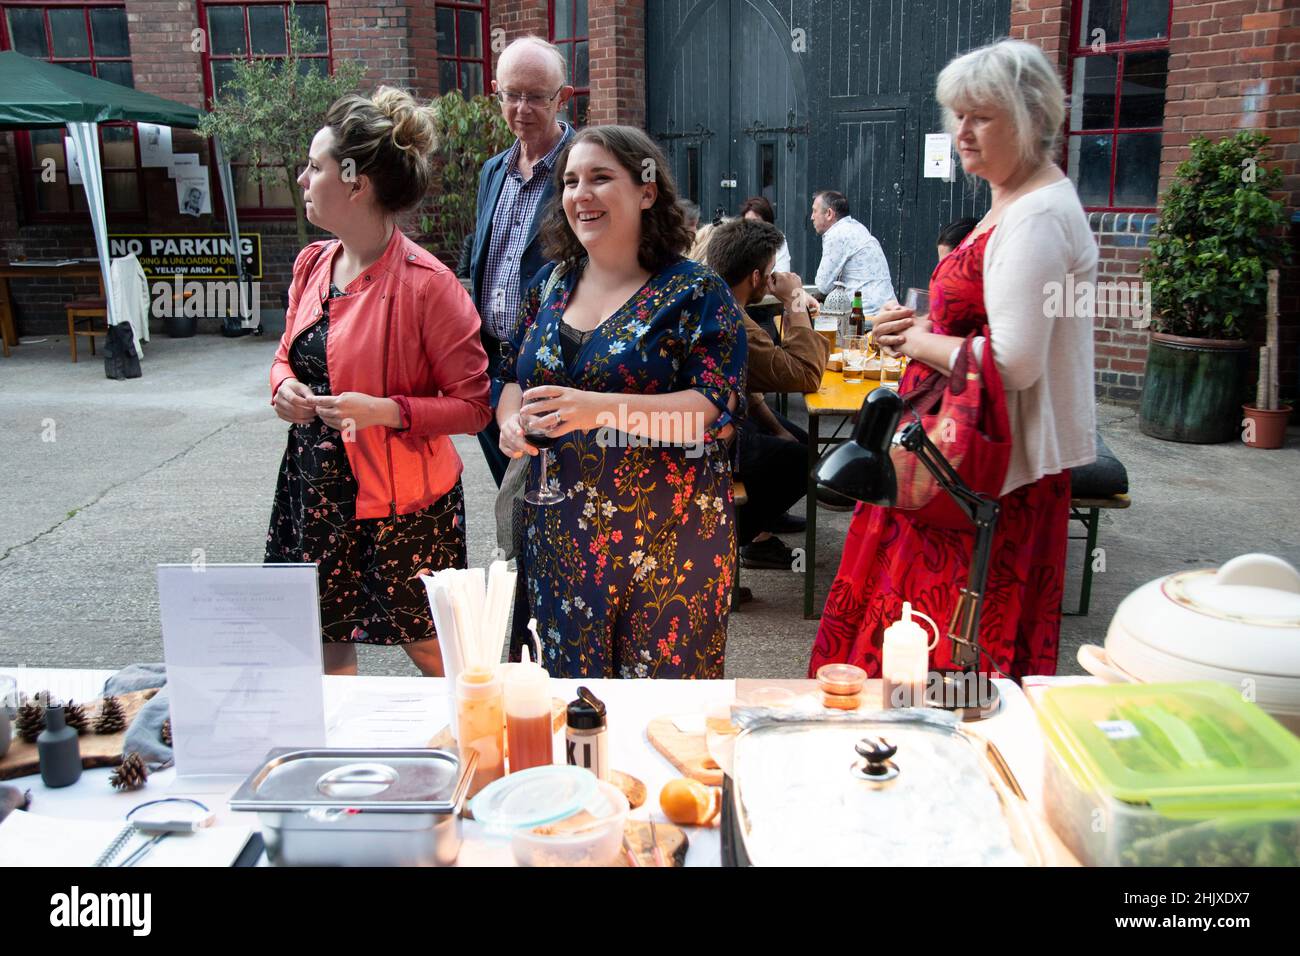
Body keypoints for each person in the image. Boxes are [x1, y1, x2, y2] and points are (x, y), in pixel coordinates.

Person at [809, 39, 1098, 681]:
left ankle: (921, 755)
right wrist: (924, 325)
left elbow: (1017, 361)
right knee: (923, 636)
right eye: (956, 115)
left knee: (943, 644)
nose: (960, 131)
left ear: (1030, 118)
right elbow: (992, 324)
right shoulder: (1017, 199)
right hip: (958, 454)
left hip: (984, 470)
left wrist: (911, 341)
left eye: (981, 116)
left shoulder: (1036, 217)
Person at [497, 125, 747, 679]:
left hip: (667, 541)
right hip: (558, 536)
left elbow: (708, 412)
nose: (579, 194)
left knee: (659, 716)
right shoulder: (549, 283)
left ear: (647, 191)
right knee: (566, 705)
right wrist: (509, 422)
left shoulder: (696, 293)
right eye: (569, 181)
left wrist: (595, 409)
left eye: (600, 178)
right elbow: (512, 374)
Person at [267, 87, 492, 677]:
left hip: (404, 502)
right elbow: (285, 356)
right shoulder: (312, 263)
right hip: (314, 487)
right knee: (321, 632)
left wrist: (384, 411)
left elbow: (474, 406)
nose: (302, 178)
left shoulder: (428, 284)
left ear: (354, 182)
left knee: (429, 643)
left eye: (313, 167)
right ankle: (340, 758)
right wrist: (282, 387)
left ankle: (473, 745)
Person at [470, 36, 576, 488]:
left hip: (550, 367)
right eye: (511, 95)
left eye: (536, 96)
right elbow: (480, 258)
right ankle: (516, 561)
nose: (522, 108)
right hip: (488, 365)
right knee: (508, 493)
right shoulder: (492, 171)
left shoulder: (584, 172)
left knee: (556, 494)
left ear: (563, 97)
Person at [706, 217, 827, 570]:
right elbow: (806, 375)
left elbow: (747, 384)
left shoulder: (717, 295)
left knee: (800, 441)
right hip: (711, 440)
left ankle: (762, 521)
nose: (774, 278)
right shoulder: (732, 318)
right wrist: (793, 301)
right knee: (805, 461)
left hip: (717, 420)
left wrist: (777, 430)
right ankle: (731, 541)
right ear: (756, 278)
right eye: (771, 271)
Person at [809, 190, 894, 312]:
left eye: (815, 211)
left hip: (865, 314)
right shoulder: (856, 227)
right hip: (887, 310)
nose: (812, 217)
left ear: (829, 213)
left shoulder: (836, 235)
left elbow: (823, 286)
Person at [738, 195, 791, 272]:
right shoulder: (737, 242)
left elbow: (782, 275)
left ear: (767, 224)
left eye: (755, 222)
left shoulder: (777, 241)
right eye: (747, 223)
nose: (750, 227)